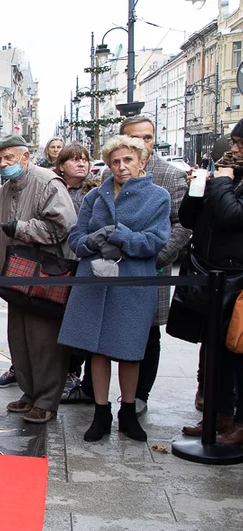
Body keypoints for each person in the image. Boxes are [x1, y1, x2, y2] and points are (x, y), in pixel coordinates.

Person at [58, 135, 169, 441]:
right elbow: (76, 236)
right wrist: (89, 242)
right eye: (115, 162)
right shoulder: (95, 196)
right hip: (94, 280)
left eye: (128, 160)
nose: (121, 167)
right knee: (96, 349)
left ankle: (129, 412)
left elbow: (155, 241)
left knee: (131, 351)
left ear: (141, 161)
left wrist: (121, 235)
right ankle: (101, 412)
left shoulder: (157, 196)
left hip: (132, 283)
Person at [0, 134, 77, 424]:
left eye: (9, 158)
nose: (3, 164)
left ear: (25, 157)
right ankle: (29, 393)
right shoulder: (3, 192)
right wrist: (0, 272)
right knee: (20, 339)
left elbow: (63, 226)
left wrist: (22, 229)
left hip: (45, 276)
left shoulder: (47, 182)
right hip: (15, 277)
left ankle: (47, 400)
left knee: (45, 341)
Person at [175, 123, 243, 444]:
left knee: (236, 352)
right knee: (213, 349)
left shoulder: (229, 180)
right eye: (234, 142)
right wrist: (197, 188)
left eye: (241, 143)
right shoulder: (225, 176)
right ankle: (218, 415)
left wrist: (221, 184)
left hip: (236, 279)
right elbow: (189, 219)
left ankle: (239, 423)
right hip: (208, 274)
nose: (236, 149)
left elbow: (232, 216)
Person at [120, 115, 190, 416]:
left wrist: (157, 259)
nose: (141, 144)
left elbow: (183, 225)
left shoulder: (170, 175)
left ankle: (140, 394)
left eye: (147, 138)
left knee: (147, 333)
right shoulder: (116, 168)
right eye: (134, 138)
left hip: (151, 268)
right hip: (116, 268)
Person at [53, 143, 101, 404]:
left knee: (81, 322)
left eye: (85, 159)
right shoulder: (55, 187)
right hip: (58, 264)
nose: (81, 164)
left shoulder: (93, 191)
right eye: (74, 160)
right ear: (62, 165)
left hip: (83, 264)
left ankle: (74, 372)